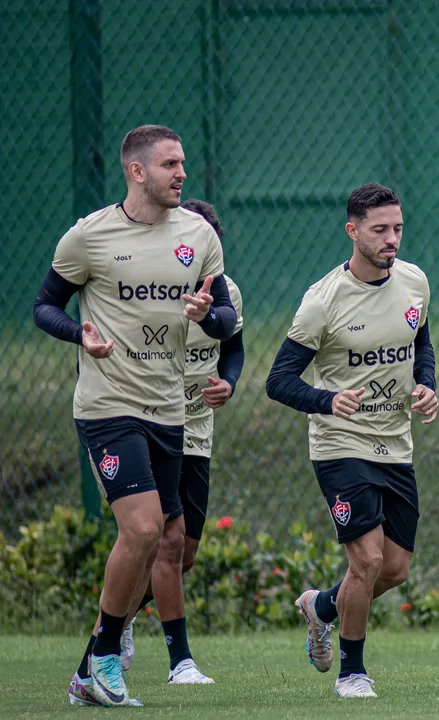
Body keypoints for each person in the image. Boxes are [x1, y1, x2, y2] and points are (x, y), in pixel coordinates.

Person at [33, 124, 237, 707]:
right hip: (107, 405)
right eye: (170, 165)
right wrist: (81, 335)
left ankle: (88, 667)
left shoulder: (198, 237)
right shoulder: (90, 236)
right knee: (144, 527)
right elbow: (45, 306)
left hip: (169, 408)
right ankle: (104, 661)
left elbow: (226, 322)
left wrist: (206, 316)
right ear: (136, 170)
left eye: (183, 166)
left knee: (161, 541)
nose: (181, 175)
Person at [265, 184, 438, 699]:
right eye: (380, 230)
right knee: (365, 560)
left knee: (395, 569)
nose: (392, 239)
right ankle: (352, 673)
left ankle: (321, 608)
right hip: (341, 446)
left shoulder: (414, 281)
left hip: (396, 444)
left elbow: (421, 343)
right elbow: (279, 380)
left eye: (398, 229)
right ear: (353, 230)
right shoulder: (322, 302)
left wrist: (426, 385)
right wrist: (326, 400)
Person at [119, 199, 245, 684]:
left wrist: (228, 383)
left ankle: (119, 618)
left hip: (196, 431)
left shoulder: (226, 291)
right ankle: (180, 662)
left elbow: (231, 350)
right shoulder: (145, 286)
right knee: (163, 541)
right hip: (144, 423)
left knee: (183, 554)